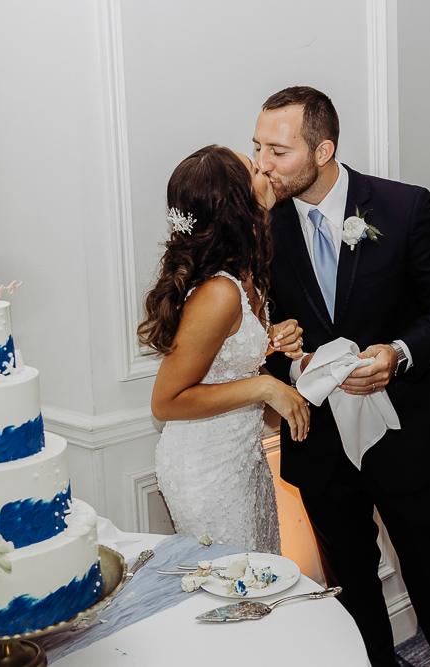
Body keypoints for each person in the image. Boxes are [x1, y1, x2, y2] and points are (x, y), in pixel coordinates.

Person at [255, 87, 430, 666]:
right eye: (257, 147)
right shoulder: (260, 225)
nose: (262, 165)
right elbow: (254, 326)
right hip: (320, 446)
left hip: (404, 438)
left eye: (277, 152)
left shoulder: (403, 207)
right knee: (351, 593)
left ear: (323, 149)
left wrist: (401, 353)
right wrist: (277, 343)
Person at [138, 144, 311, 554]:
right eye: (254, 168)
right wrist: (266, 388)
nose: (265, 169)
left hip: (243, 459)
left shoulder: (245, 271)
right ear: (238, 203)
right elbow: (165, 402)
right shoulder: (219, 293)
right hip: (206, 471)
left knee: (256, 580)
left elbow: (226, 361)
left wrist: (272, 339)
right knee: (235, 594)